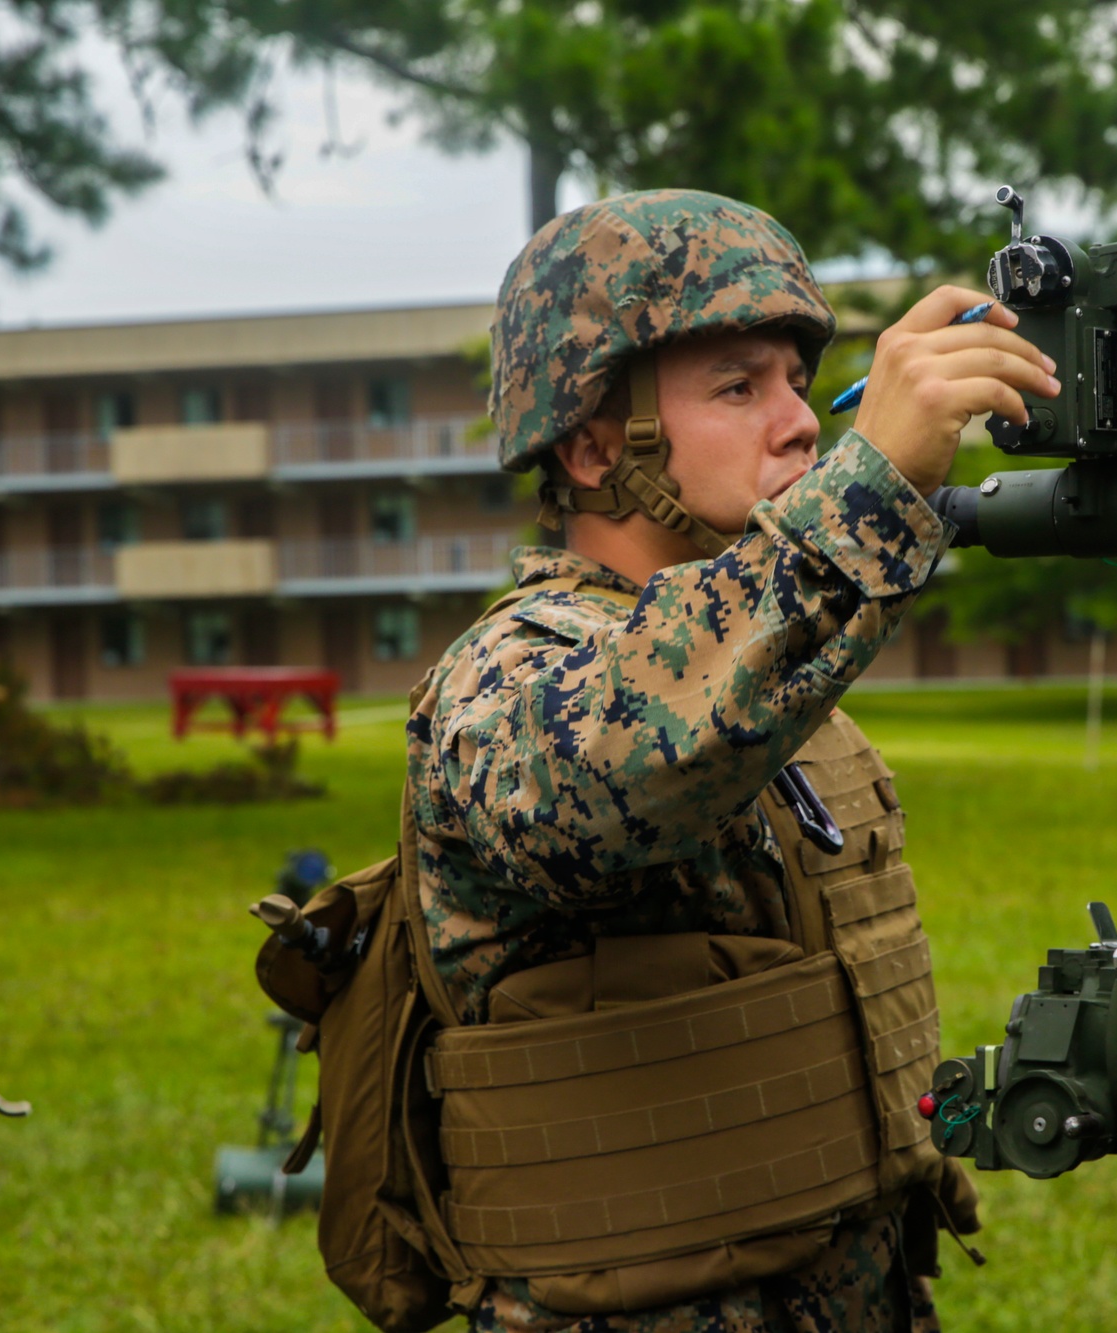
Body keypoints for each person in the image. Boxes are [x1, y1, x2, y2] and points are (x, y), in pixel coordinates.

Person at [406, 188, 1059, 1332]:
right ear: (597, 443)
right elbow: (613, 776)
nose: (801, 422)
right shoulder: (503, 677)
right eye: (738, 386)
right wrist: (873, 488)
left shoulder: (769, 662)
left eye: (799, 383)